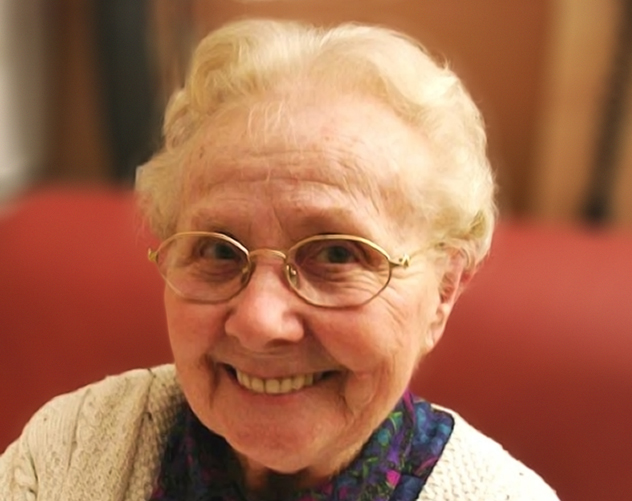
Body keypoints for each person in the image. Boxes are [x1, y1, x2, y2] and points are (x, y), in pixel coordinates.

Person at [0, 19, 559, 500]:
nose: (259, 321)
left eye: (336, 254)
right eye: (219, 251)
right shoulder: (67, 455)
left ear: (443, 291)